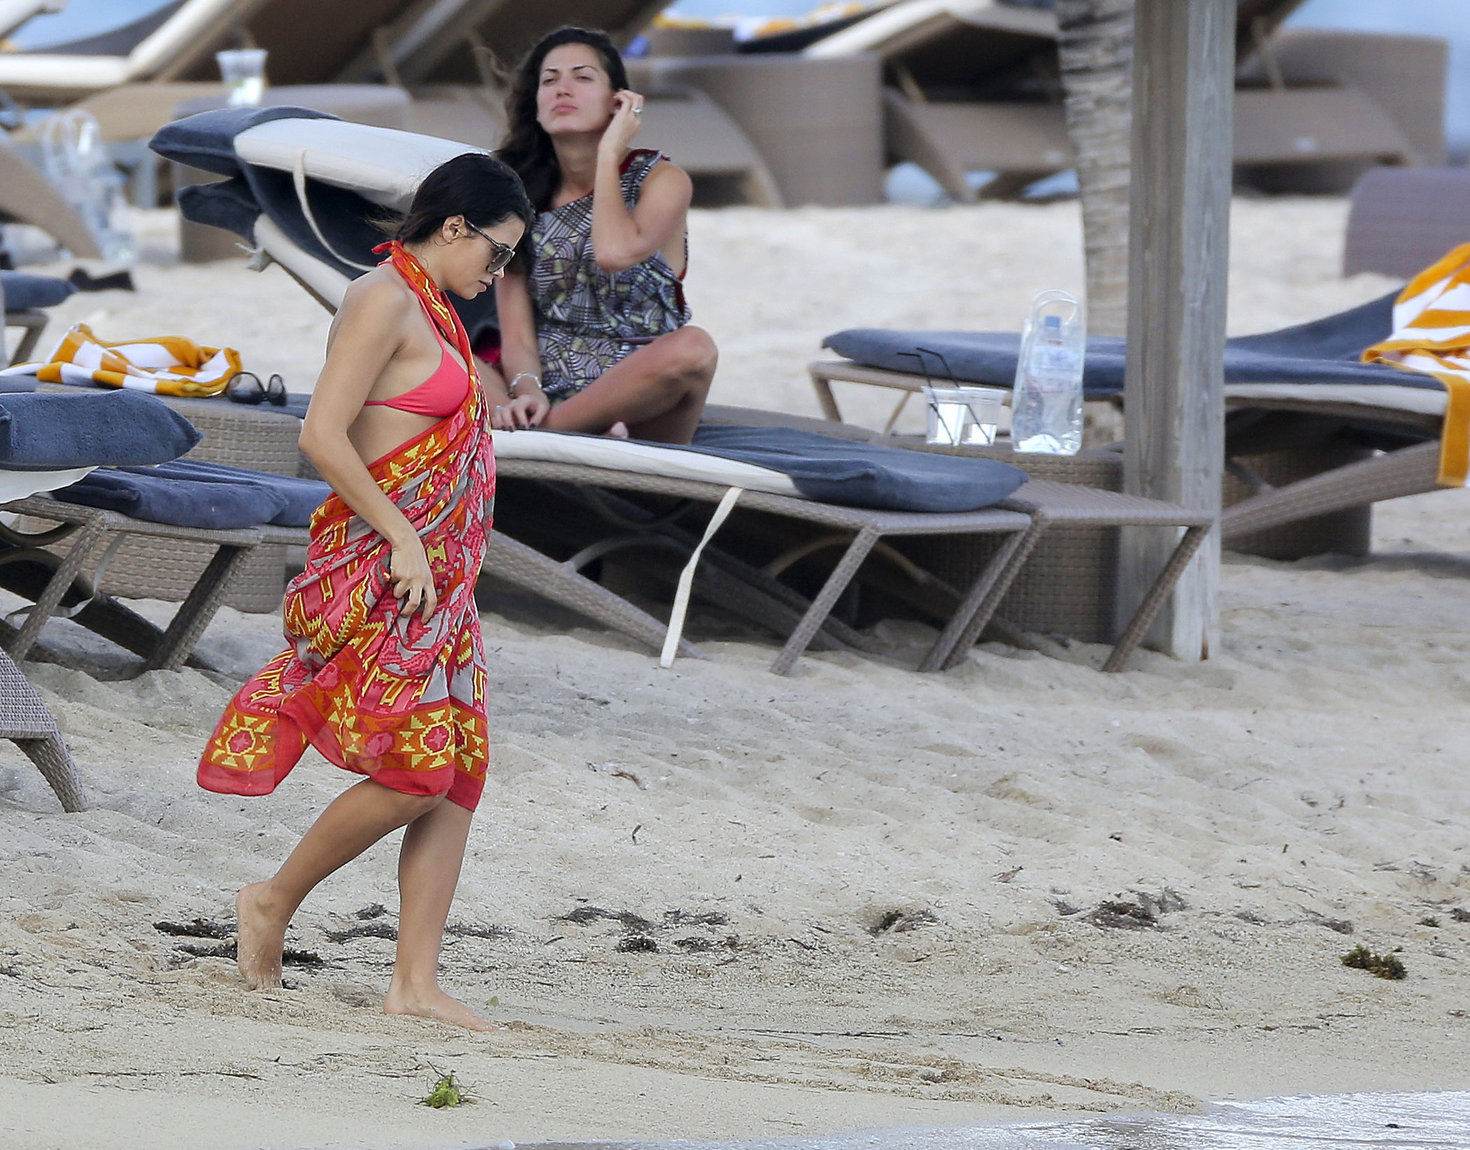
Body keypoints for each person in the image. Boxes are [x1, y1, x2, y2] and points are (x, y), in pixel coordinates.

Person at [196, 153, 534, 1033]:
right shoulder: (381, 296)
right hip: (389, 569)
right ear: (455, 226)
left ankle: (414, 983)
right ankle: (271, 899)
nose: (495, 277)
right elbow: (322, 433)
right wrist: (405, 539)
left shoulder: (433, 306)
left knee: (456, 774)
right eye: (495, 256)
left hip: (439, 581)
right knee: (417, 772)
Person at [490, 25, 717, 444]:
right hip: (545, 381)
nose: (563, 89)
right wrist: (528, 392)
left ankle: (550, 437)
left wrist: (610, 155)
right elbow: (517, 332)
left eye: (582, 76)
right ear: (535, 104)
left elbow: (613, 252)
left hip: (641, 387)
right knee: (439, 346)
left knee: (695, 348)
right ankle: (537, 424)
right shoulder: (514, 192)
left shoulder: (662, 181)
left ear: (619, 102)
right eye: (549, 80)